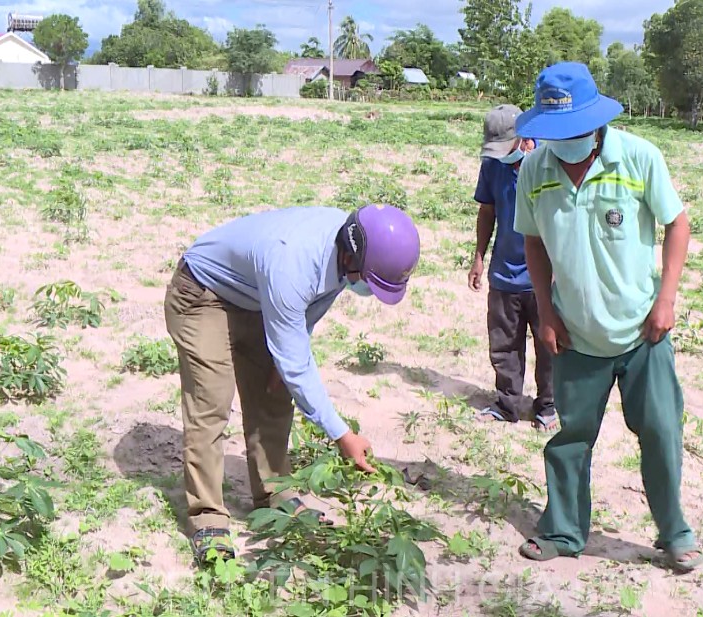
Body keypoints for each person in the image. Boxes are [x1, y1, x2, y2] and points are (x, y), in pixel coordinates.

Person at [511, 62, 703, 571]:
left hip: (644, 332)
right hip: (575, 335)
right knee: (570, 438)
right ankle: (563, 531)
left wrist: (667, 297)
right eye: (555, 132)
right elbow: (533, 242)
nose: (566, 141)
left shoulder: (639, 157)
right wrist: (547, 313)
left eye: (574, 130)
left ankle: (674, 532)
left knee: (662, 431)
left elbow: (677, 224)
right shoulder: (534, 169)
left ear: (595, 121)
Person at [164, 204, 421, 565]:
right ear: (352, 254)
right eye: (368, 278)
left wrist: (284, 362)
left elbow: (313, 305)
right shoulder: (294, 260)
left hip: (255, 298)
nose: (366, 287)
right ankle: (208, 517)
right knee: (211, 404)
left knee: (275, 394)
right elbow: (299, 360)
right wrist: (342, 435)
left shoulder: (346, 251)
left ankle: (274, 496)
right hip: (202, 293)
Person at [469, 104, 557, 432]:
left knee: (549, 343)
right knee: (504, 343)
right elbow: (487, 211)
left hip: (545, 277)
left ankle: (547, 405)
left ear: (523, 138)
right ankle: (508, 404)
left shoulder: (550, 162)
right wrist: (479, 256)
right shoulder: (492, 165)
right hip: (504, 272)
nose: (498, 154)